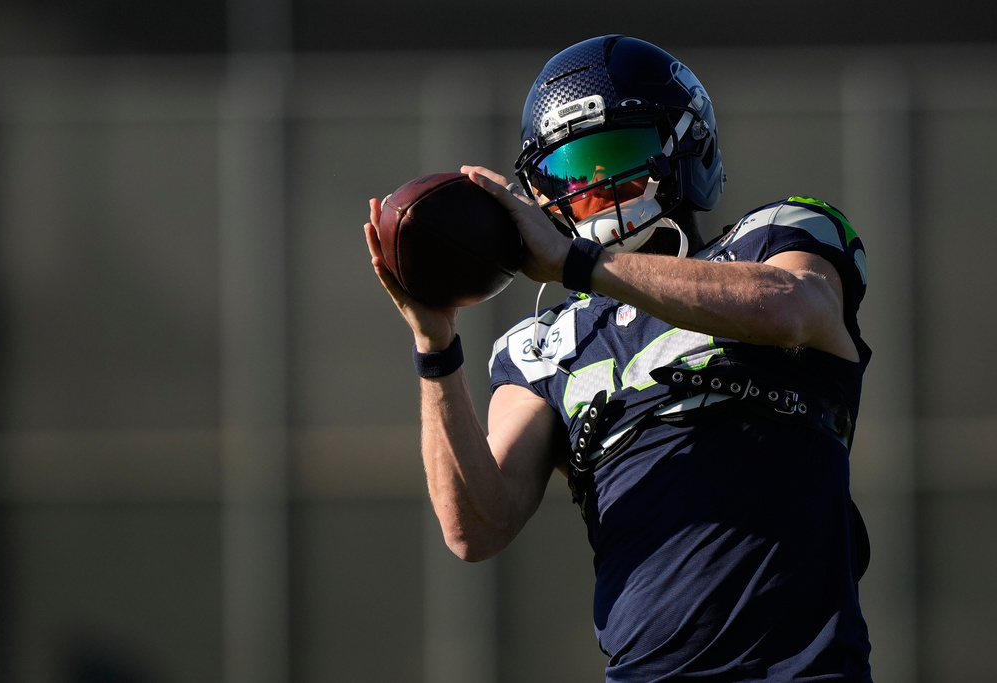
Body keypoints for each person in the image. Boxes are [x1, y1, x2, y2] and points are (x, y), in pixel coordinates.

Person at [364, 34, 873, 683]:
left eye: (614, 155)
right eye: (570, 174)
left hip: (803, 671)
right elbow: (475, 525)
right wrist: (435, 343)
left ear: (684, 147)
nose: (595, 186)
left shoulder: (777, 236)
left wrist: (582, 263)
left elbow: (790, 309)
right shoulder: (545, 344)